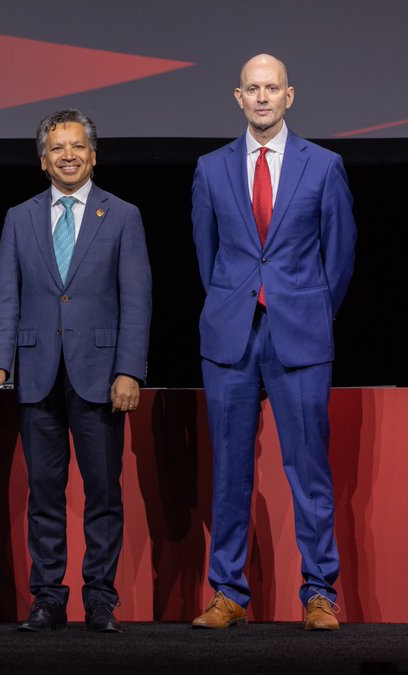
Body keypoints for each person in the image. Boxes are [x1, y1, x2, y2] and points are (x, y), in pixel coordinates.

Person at [190, 54, 356, 632]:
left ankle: (319, 594)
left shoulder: (325, 165)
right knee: (230, 470)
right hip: (231, 336)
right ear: (238, 97)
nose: (263, 98)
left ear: (290, 95)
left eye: (273, 89)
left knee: (308, 470)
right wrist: (237, 303)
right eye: (253, 89)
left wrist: (306, 310)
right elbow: (206, 256)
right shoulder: (211, 169)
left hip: (300, 335)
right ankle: (228, 593)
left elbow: (339, 256)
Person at [0, 109, 151, 634]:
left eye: (77, 146)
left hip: (100, 375)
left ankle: (101, 599)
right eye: (57, 148)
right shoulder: (19, 217)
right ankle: (48, 598)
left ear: (93, 155)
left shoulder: (122, 216)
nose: (68, 155)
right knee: (44, 495)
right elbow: (5, 295)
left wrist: (129, 371)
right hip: (36, 375)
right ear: (42, 160)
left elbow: (137, 301)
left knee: (103, 493)